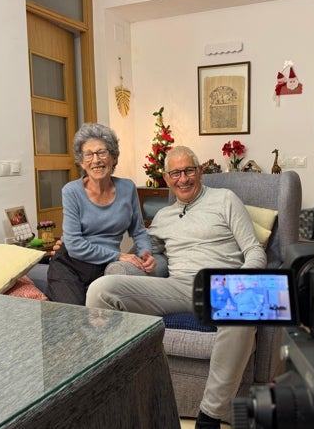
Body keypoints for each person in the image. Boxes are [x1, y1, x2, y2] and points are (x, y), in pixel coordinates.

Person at [86, 145, 266, 428]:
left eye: (188, 170)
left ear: (200, 172)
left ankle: (209, 416)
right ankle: (113, 394)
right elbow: (149, 251)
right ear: (167, 179)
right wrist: (143, 259)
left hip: (221, 287)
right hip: (178, 287)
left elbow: (255, 250)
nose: (183, 179)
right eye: (175, 173)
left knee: (243, 315)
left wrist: (240, 281)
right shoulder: (164, 216)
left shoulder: (225, 200)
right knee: (101, 289)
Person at [47, 123, 155, 305]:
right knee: (75, 317)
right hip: (70, 264)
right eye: (88, 154)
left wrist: (146, 253)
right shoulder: (71, 191)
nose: (95, 160)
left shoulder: (127, 188)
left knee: (102, 319)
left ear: (113, 157)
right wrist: (119, 256)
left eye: (102, 152)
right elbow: (73, 244)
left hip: (105, 267)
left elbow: (138, 231)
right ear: (81, 162)